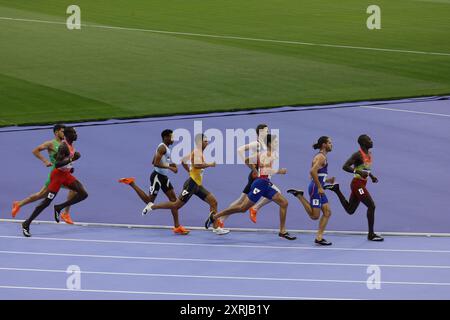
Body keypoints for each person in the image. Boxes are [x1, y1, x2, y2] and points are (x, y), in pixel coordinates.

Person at [205, 134, 296, 240]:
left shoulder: (267, 154)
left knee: (284, 203)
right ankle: (214, 216)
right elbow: (264, 170)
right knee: (242, 208)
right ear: (270, 144)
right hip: (260, 184)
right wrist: (279, 171)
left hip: (266, 184)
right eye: (275, 142)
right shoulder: (266, 154)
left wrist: (254, 170)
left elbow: (248, 160)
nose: (277, 144)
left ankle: (282, 231)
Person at [142, 133, 229, 235]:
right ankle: (152, 206)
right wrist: (209, 164)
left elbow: (183, 160)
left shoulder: (197, 152)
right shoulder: (197, 152)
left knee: (213, 202)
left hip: (197, 185)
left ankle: (216, 228)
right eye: (205, 141)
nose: (207, 142)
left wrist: (189, 171)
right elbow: (197, 165)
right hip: (191, 185)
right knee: (176, 205)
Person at [118, 129, 189, 235]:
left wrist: (171, 163)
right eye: (171, 137)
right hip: (157, 177)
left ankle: (177, 227)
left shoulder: (166, 148)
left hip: (163, 177)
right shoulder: (162, 147)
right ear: (165, 137)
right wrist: (170, 167)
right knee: (149, 201)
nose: (173, 139)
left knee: (174, 201)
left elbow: (154, 160)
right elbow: (155, 163)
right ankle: (132, 183)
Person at [22, 127, 88, 237]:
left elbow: (65, 161)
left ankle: (59, 207)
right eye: (74, 133)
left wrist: (70, 167)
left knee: (83, 194)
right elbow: (57, 164)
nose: (76, 134)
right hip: (57, 176)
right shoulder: (63, 146)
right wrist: (72, 160)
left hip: (66, 175)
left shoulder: (71, 145)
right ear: (67, 135)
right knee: (46, 202)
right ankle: (26, 223)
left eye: (76, 132)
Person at [11, 124, 76, 224]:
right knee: (41, 195)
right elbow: (35, 150)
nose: (65, 133)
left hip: (63, 174)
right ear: (56, 132)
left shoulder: (66, 143)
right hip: (55, 175)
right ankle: (18, 204)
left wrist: (70, 167)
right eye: (63, 131)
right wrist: (45, 161)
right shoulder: (50, 143)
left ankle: (65, 213)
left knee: (73, 190)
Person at [326, 134, 384, 241]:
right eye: (369, 140)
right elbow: (345, 166)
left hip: (361, 184)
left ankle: (337, 190)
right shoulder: (358, 155)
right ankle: (371, 234)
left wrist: (371, 176)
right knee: (372, 206)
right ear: (363, 143)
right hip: (357, 185)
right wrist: (357, 171)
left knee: (350, 210)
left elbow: (365, 168)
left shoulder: (369, 154)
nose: (371, 141)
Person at [287, 136, 335, 245]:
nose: (331, 145)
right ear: (324, 144)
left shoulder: (322, 157)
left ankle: (319, 237)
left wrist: (327, 180)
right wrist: (319, 187)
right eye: (329, 143)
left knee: (327, 212)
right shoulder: (321, 157)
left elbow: (315, 175)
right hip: (315, 189)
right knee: (315, 216)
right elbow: (312, 171)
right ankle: (299, 196)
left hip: (318, 187)